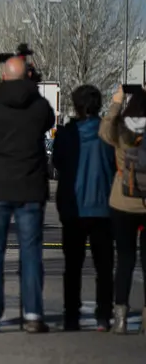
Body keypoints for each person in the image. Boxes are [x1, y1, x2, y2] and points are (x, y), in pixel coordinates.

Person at [0, 57, 55, 333]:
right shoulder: (40, 106)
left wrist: (3, 87)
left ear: (4, 76)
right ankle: (32, 314)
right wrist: (30, 85)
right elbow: (48, 121)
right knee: (31, 253)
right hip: (29, 187)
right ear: (27, 76)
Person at [52, 85, 116, 332]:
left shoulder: (67, 134)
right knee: (104, 266)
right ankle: (103, 314)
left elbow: (57, 162)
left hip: (74, 207)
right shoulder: (107, 132)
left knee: (73, 266)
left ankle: (71, 316)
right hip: (103, 206)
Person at [98, 85, 146, 335]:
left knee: (125, 259)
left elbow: (103, 131)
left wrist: (116, 102)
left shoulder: (122, 129)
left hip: (123, 201)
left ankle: (121, 317)